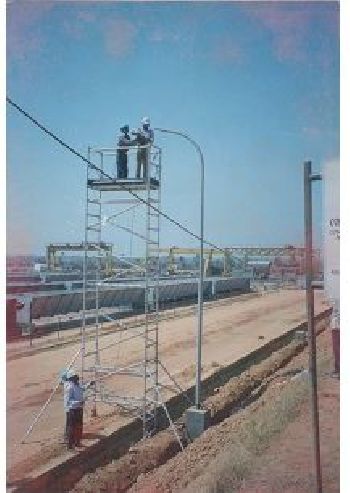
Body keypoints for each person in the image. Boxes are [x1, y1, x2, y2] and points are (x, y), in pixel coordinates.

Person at [64, 369, 94, 450]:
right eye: (75, 377)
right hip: (73, 410)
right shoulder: (69, 387)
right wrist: (78, 402)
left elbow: (82, 388)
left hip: (79, 409)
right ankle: (70, 445)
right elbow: (68, 402)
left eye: (76, 376)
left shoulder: (77, 385)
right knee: (72, 428)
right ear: (71, 378)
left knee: (79, 426)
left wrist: (89, 384)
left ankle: (77, 442)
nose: (77, 378)